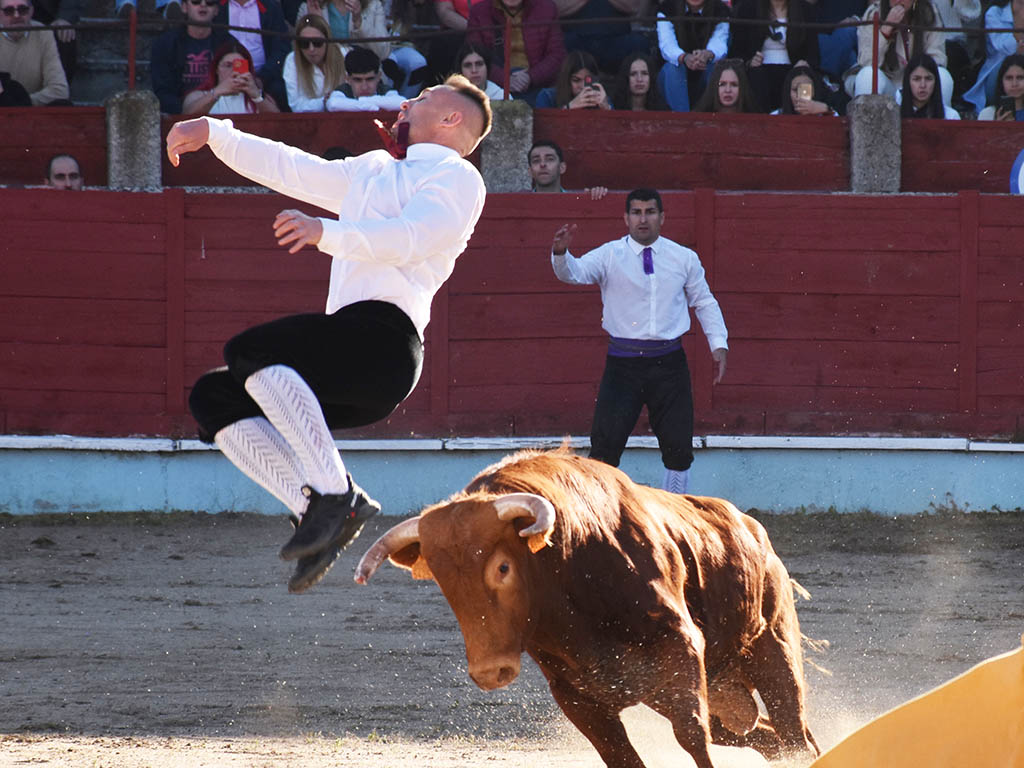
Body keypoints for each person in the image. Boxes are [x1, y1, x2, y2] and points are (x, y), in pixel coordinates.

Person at [165, 75, 492, 594]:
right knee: (215, 396)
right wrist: (217, 134)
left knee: (252, 350)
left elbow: (412, 239)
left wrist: (327, 233)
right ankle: (316, 507)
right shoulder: (375, 169)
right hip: (346, 349)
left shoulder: (458, 177)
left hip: (385, 345)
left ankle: (337, 495)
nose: (407, 102)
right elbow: (295, 168)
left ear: (452, 118)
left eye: (424, 99)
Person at [549, 188, 728, 495]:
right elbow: (574, 274)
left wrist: (718, 343)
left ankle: (675, 512)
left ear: (662, 217)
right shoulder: (609, 254)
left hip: (669, 363)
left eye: (649, 212)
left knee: (678, 446)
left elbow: (704, 301)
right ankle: (600, 516)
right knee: (605, 446)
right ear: (626, 218)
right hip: (623, 364)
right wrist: (561, 254)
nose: (643, 219)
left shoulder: (683, 257)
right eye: (636, 212)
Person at [150, 0, 242, 114]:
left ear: (216, 10)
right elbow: (162, 89)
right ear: (184, 7)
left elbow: (239, 77)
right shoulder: (165, 44)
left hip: (221, 108)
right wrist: (182, 113)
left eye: (210, 3)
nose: (203, 5)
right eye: (196, 1)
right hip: (179, 113)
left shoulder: (229, 43)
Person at [847, 0, 950, 101]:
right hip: (889, 84)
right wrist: (886, 29)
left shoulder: (930, 12)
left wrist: (917, 71)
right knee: (867, 75)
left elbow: (938, 59)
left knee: (943, 76)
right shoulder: (874, 13)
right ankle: (867, 118)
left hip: (919, 84)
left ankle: (934, 116)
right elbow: (867, 61)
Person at [465, 0, 564, 105]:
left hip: (538, 85)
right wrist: (505, 79)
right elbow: (474, 55)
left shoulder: (546, 9)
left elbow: (557, 55)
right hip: (496, 87)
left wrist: (530, 77)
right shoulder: (479, 12)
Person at [728, 0, 820, 113]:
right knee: (756, 77)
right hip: (758, 70)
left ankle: (800, 123)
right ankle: (760, 123)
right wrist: (749, 61)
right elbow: (736, 51)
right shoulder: (748, 8)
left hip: (793, 69)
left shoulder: (805, 9)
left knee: (802, 80)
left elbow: (814, 54)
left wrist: (804, 64)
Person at [212, 0, 290, 111]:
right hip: (224, 74)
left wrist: (262, 78)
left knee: (280, 91)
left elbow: (281, 48)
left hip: (263, 76)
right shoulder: (217, 6)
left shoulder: (271, 7)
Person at [656, 0, 730, 110]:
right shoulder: (667, 7)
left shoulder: (720, 10)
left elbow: (719, 42)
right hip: (674, 77)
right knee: (673, 68)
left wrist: (706, 54)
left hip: (704, 70)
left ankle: (708, 121)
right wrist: (685, 57)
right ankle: (683, 123)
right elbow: (667, 45)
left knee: (716, 69)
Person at [0, 0, 69, 105]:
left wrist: (23, 102)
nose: (16, 15)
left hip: (35, 111)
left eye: (22, 9)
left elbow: (60, 90)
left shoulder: (44, 34)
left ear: (31, 11)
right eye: (8, 11)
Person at [182, 41, 281, 114]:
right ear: (216, 69)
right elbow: (187, 118)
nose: (234, 71)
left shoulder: (260, 98)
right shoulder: (197, 96)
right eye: (228, 65)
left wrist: (256, 96)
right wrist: (217, 92)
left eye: (240, 66)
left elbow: (278, 123)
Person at [557, 0, 651, 75]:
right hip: (577, 41)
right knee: (557, 45)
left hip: (615, 40)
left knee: (640, 43)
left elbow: (633, 7)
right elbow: (557, 9)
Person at [964, 0, 1024, 114]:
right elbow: (1004, 48)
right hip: (997, 73)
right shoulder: (994, 13)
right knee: (1010, 66)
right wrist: (1020, 19)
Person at [282, 13, 346, 111]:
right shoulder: (292, 61)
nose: (311, 49)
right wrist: (324, 102)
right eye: (305, 44)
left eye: (317, 43)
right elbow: (296, 106)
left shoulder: (343, 54)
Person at [325, 46, 406, 110]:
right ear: (347, 79)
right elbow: (333, 104)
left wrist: (362, 101)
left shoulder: (384, 90)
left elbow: (400, 103)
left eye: (370, 79)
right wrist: (372, 106)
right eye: (358, 80)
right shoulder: (343, 90)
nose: (364, 87)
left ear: (379, 77)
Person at [528, 139, 608, 198]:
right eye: (536, 160)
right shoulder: (519, 202)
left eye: (550, 159)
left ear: (562, 168)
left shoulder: (578, 200)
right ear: (530, 171)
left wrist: (598, 195)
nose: (542, 164)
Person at [535, 49, 611, 108]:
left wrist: (607, 108)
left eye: (588, 80)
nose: (582, 86)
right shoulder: (547, 97)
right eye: (576, 80)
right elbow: (544, 126)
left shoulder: (602, 98)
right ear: (566, 80)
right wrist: (570, 107)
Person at [899, 52, 960, 118]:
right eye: (916, 79)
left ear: (936, 81)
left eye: (928, 79)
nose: (923, 85)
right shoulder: (895, 115)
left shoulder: (950, 116)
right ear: (908, 82)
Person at [693, 58, 760, 111]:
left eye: (734, 84)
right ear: (714, 86)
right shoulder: (699, 119)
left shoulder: (757, 120)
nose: (728, 90)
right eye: (722, 84)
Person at [977, 53, 1024, 119]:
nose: (1014, 84)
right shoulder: (987, 114)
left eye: (1020, 77)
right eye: (1009, 78)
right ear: (1001, 81)